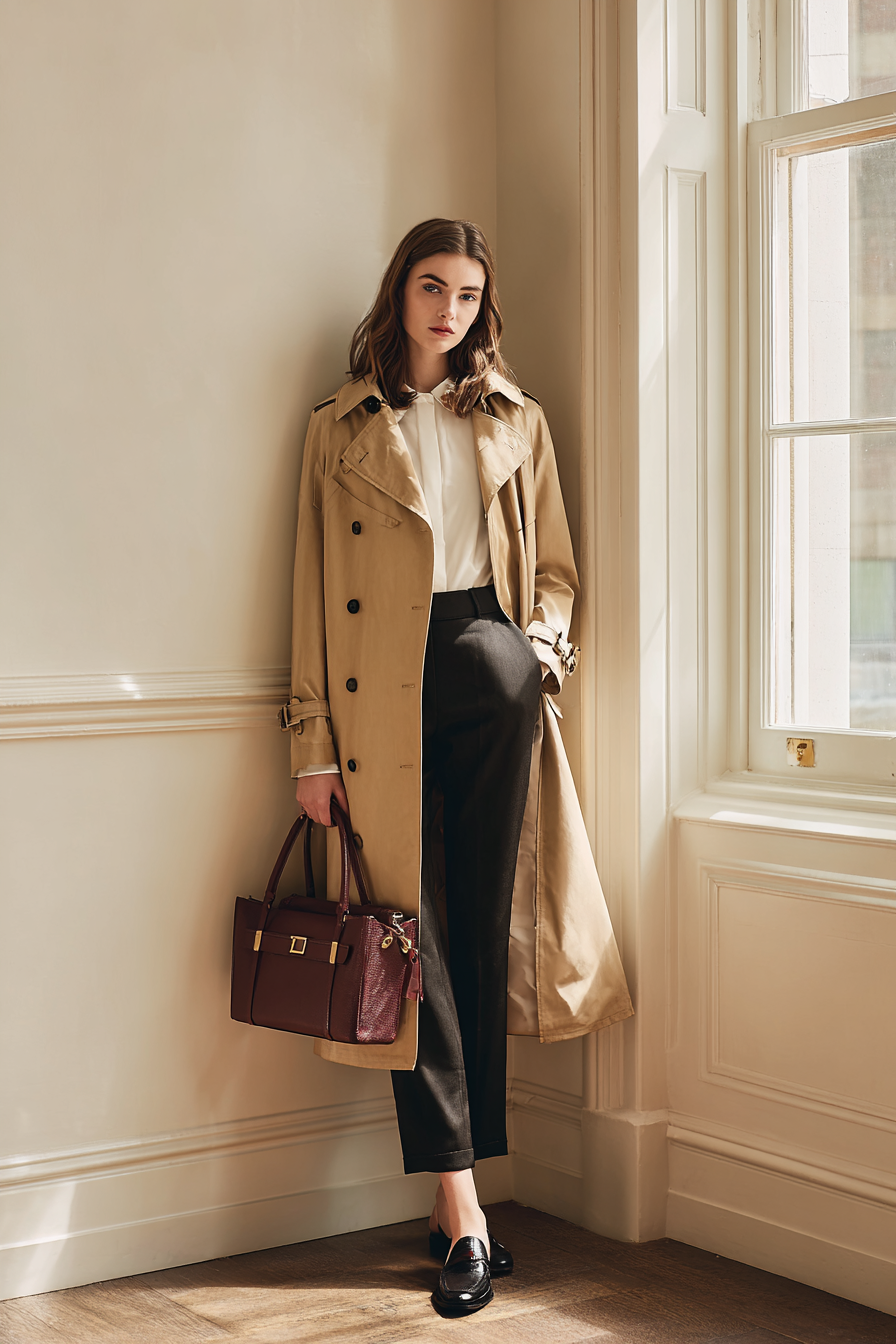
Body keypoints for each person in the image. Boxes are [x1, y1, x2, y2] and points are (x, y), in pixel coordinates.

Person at [281, 218, 633, 1316]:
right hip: (378, 686)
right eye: (432, 288)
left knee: (476, 931)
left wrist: (538, 651)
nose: (450, 311)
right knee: (408, 935)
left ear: (484, 308)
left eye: (469, 295)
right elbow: (306, 591)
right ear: (398, 296)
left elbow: (559, 567)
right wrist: (310, 741)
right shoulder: (339, 429)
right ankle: (462, 1205)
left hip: (491, 669)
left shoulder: (514, 422)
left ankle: (461, 1201)